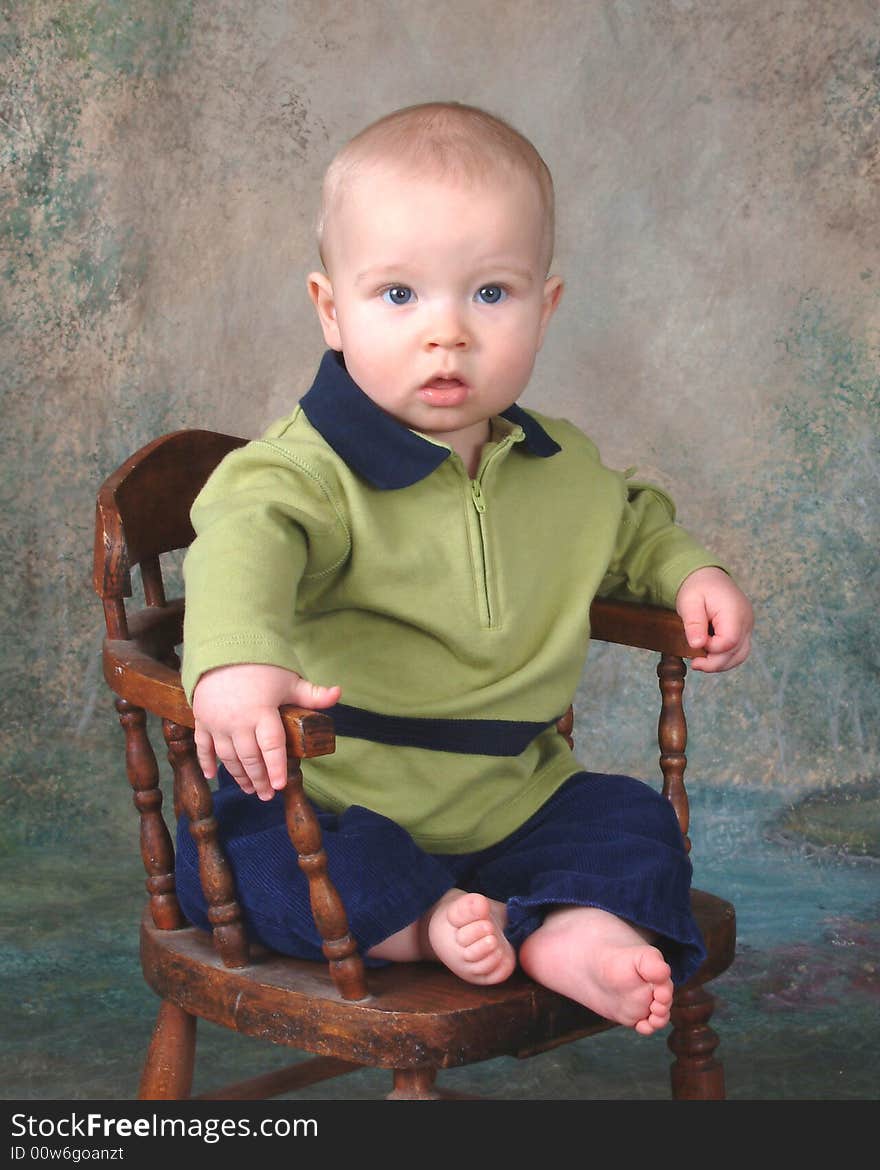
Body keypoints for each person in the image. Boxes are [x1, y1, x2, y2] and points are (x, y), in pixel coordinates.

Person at [176, 102, 753, 1037]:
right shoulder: (304, 473)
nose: (447, 334)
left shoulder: (557, 465)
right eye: (399, 296)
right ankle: (423, 924)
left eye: (490, 294)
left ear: (546, 305)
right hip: (341, 794)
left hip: (511, 796)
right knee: (257, 863)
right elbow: (243, 539)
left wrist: (688, 574)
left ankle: (570, 928)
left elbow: (629, 525)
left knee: (630, 823)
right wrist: (237, 658)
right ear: (332, 309)